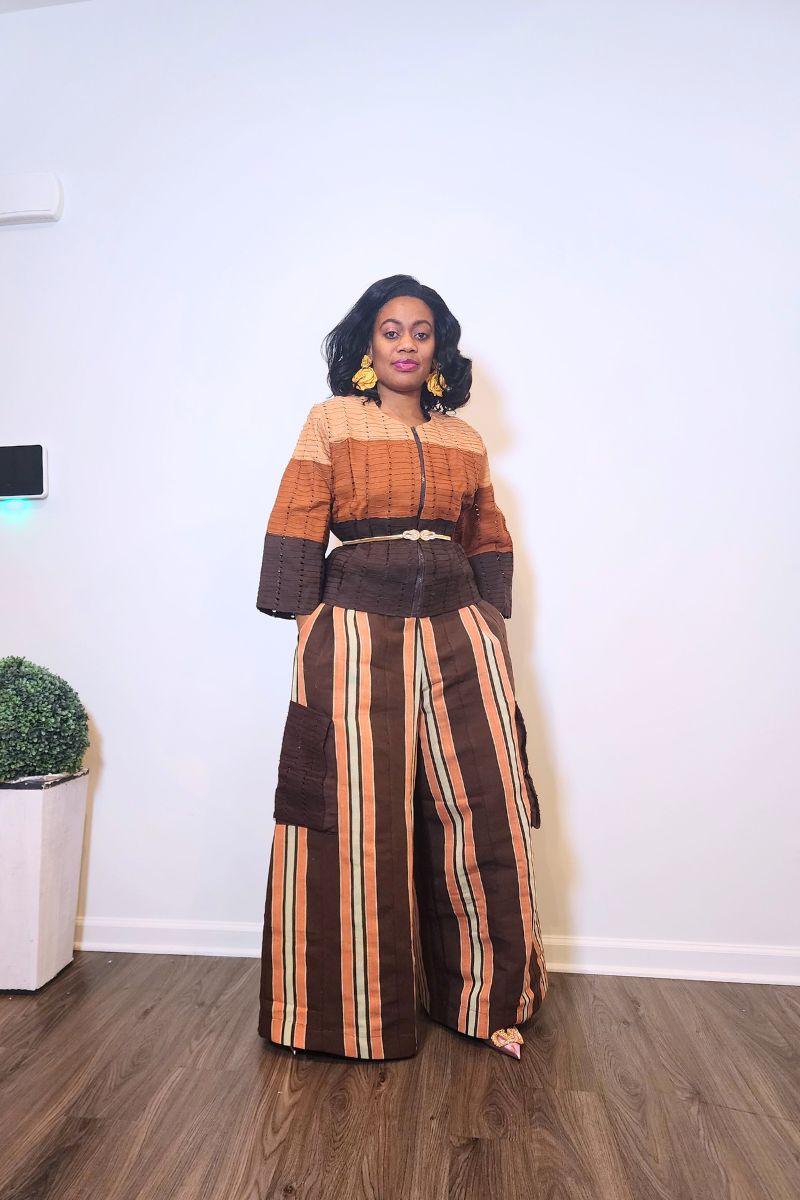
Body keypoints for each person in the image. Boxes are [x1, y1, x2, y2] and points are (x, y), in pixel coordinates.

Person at [256, 273, 548, 1061]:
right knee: (350, 810)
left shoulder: (465, 441)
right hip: (355, 625)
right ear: (368, 344)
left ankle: (488, 1001)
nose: (407, 344)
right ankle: (342, 1015)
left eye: (422, 332)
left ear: (439, 347)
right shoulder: (331, 421)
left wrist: (490, 619)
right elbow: (298, 513)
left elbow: (486, 533)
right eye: (392, 331)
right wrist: (306, 620)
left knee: (481, 804)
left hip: (459, 625)